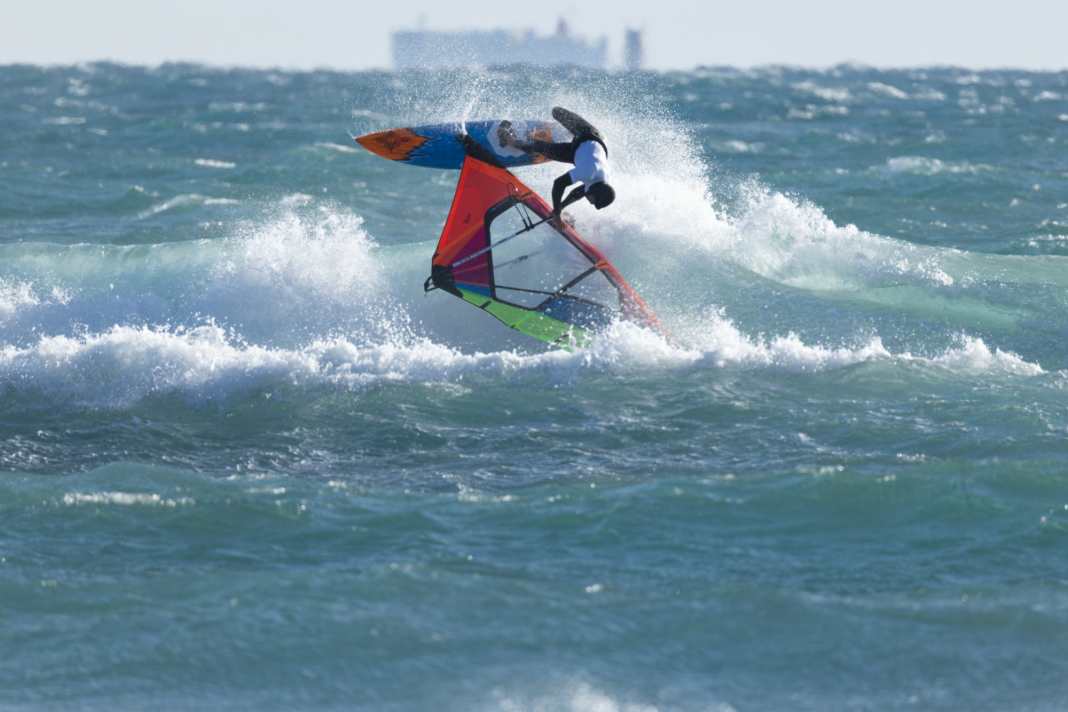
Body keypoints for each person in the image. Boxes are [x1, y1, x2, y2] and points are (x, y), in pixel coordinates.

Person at [498, 107, 616, 215]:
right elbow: (559, 183)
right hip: (589, 133)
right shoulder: (589, 172)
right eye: (593, 200)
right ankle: (508, 137)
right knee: (556, 112)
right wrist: (557, 211)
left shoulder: (600, 182)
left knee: (538, 148)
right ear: (596, 191)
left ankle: (509, 139)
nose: (590, 202)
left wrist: (560, 207)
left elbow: (578, 193)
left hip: (574, 151)